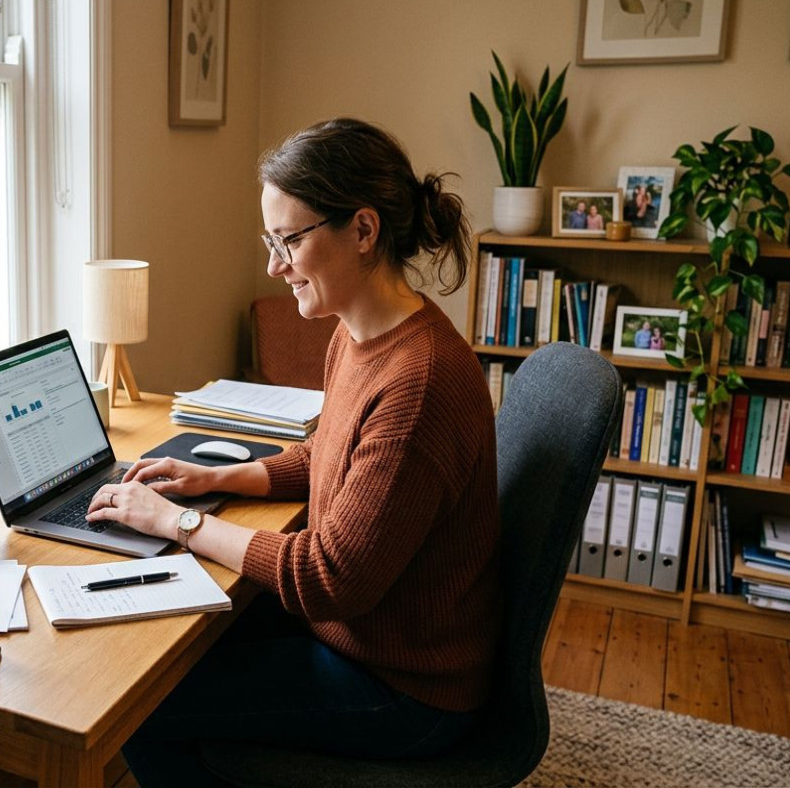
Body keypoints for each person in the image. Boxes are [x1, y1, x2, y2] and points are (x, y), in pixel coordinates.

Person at [86, 118, 501, 786]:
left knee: (140, 705)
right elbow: (323, 459)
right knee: (159, 643)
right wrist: (206, 477)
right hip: (360, 638)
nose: (275, 265)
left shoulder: (418, 384)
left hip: (405, 687)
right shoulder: (359, 333)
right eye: (269, 241)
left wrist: (177, 523)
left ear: (363, 231)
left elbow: (329, 578)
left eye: (289, 241)